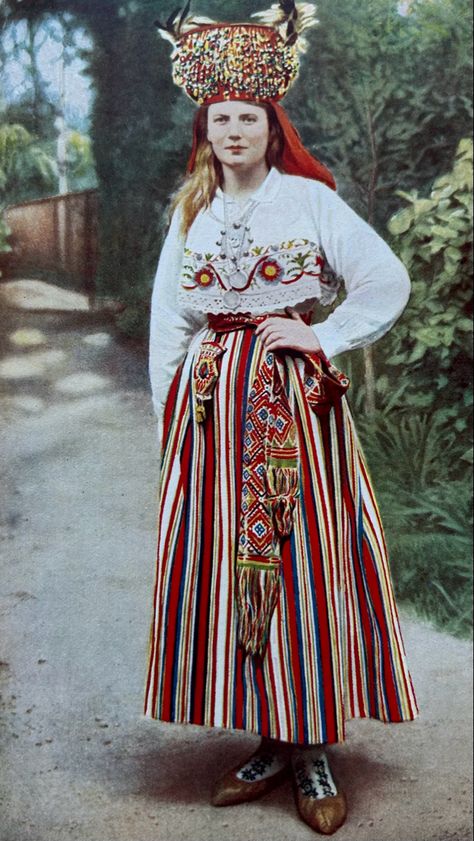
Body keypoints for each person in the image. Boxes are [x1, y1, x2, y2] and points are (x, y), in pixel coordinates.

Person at [145, 3, 418, 835]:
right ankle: (268, 739)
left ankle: (313, 750)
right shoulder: (190, 211)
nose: (234, 131)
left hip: (296, 413)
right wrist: (172, 427)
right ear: (207, 126)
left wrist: (322, 332)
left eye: (248, 118)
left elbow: (386, 281)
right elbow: (170, 323)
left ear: (272, 126)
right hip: (216, 424)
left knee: (302, 569)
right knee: (236, 572)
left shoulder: (309, 202)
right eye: (220, 117)